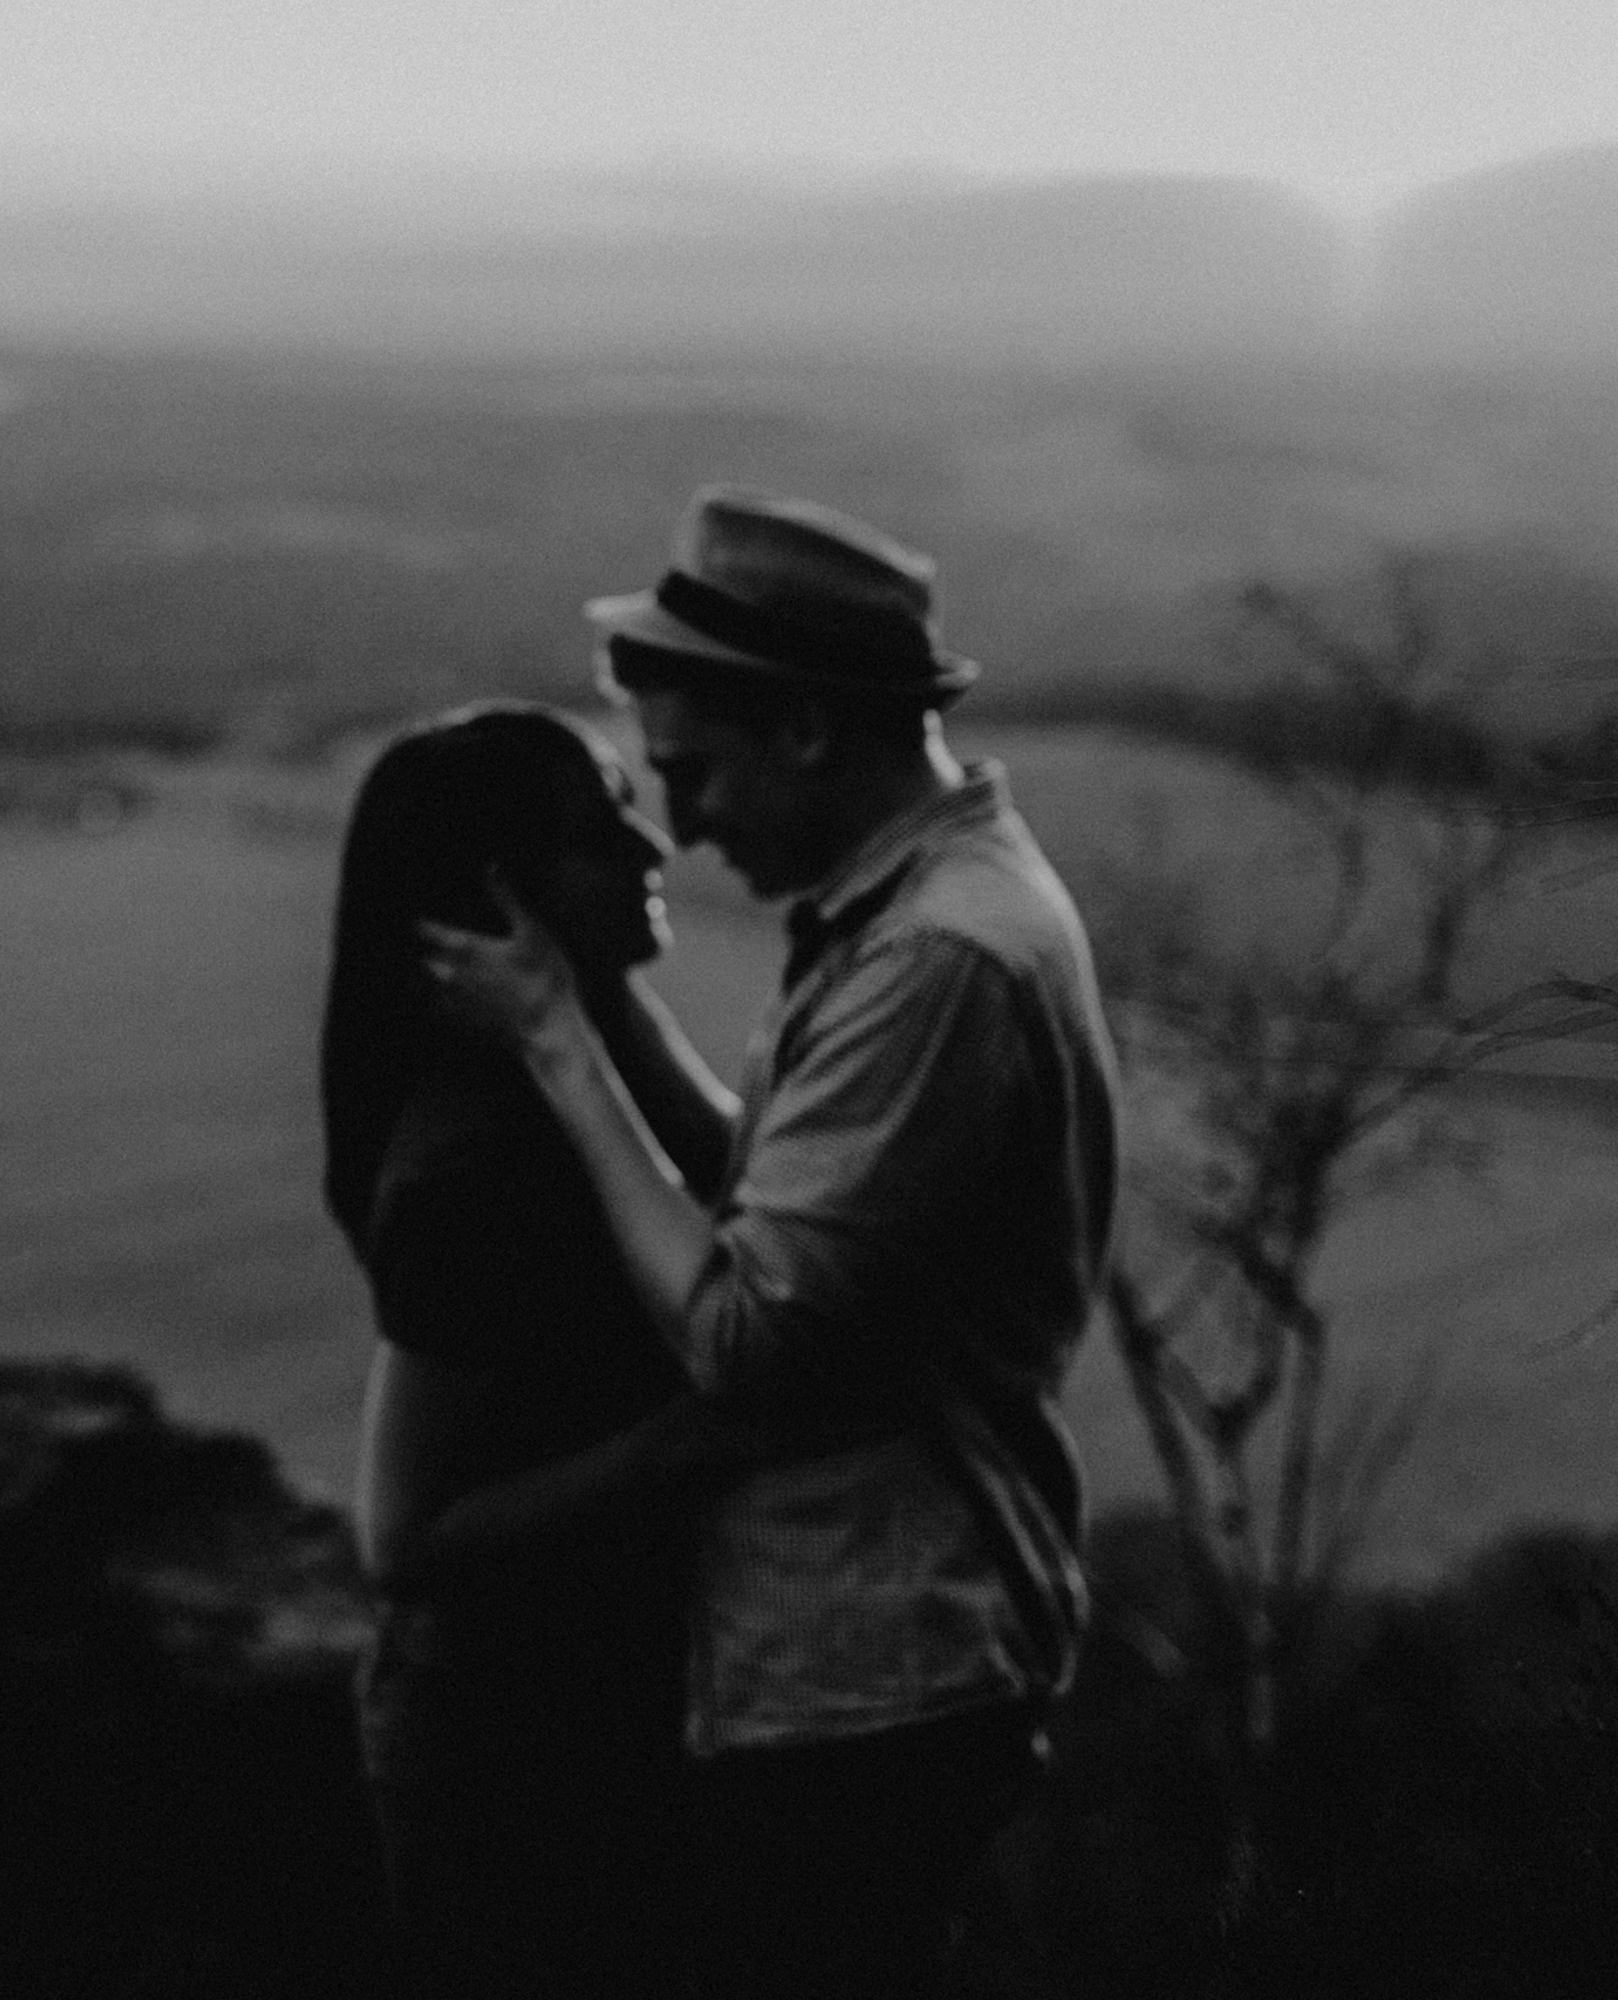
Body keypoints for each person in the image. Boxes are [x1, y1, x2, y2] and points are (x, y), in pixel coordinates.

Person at [420, 488, 1120, 2000]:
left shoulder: (934, 957)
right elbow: (796, 1195)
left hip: (871, 1671)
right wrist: (609, 1006)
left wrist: (555, 1050)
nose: (682, 823)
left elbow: (748, 1334)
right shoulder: (928, 904)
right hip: (880, 1658)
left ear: (807, 730)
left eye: (696, 769)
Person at [321, 702, 749, 1999]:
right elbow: (402, 1541)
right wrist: (693, 1446)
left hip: (608, 1700)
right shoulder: (476, 1162)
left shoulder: (583, 1080)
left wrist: (582, 1004)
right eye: (599, 826)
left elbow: (752, 1198)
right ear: (505, 894)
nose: (653, 845)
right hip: (509, 1751)